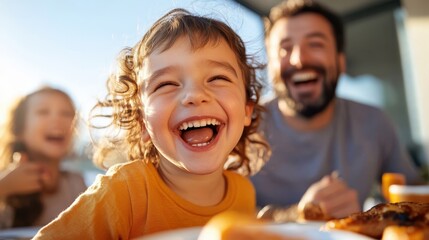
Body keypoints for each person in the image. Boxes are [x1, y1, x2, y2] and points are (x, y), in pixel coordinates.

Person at [32, 8, 269, 239]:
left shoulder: (243, 194)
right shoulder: (123, 192)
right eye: (166, 84)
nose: (194, 95)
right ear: (142, 122)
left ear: (247, 111)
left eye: (218, 78)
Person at [251, 0, 423, 221]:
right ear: (270, 65)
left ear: (341, 62)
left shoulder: (373, 122)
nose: (299, 59)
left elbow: (414, 197)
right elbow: (215, 217)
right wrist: (297, 215)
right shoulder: (243, 126)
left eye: (315, 44)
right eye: (284, 48)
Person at [0, 87, 87, 229]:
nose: (58, 120)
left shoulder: (76, 184)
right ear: (19, 129)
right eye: (43, 112)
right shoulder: (4, 182)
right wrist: (3, 187)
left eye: (66, 113)